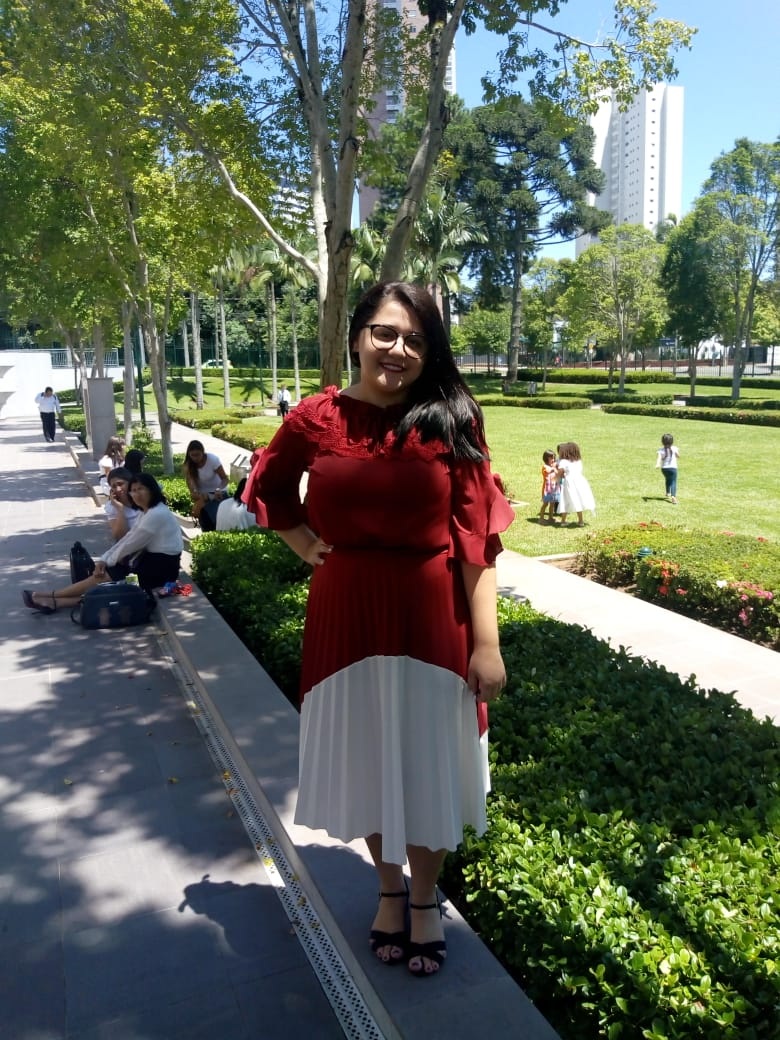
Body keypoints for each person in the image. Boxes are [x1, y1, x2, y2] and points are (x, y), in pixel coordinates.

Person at [244, 281, 514, 977]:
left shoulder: (453, 418)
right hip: (346, 615)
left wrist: (487, 644)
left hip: (433, 616)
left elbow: (476, 538)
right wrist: (305, 543)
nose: (398, 350)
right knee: (366, 758)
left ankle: (425, 897)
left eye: (415, 339)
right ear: (358, 336)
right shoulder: (316, 417)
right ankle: (388, 888)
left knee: (430, 764)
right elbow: (269, 486)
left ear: (430, 351)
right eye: (386, 334)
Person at [22, 474, 183, 612]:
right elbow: (128, 538)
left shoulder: (156, 514)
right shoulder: (147, 511)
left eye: (141, 489)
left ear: (152, 490)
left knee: (111, 577)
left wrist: (106, 561)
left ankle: (52, 596)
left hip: (162, 569)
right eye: (133, 490)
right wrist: (105, 559)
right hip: (151, 560)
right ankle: (55, 601)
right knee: (110, 577)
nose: (136, 494)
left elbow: (131, 544)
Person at [183, 440, 228, 532]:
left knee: (215, 517)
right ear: (189, 455)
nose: (195, 458)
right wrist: (195, 493)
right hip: (203, 496)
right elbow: (190, 484)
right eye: (192, 455)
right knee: (201, 516)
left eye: (198, 455)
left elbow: (225, 479)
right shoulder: (188, 464)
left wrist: (218, 489)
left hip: (218, 493)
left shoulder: (213, 460)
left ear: (203, 452)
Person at [556, 441, 595, 526]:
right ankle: (581, 521)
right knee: (578, 499)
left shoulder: (563, 461)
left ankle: (563, 521)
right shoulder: (578, 461)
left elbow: (559, 473)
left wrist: (555, 479)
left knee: (565, 500)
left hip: (569, 483)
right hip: (580, 481)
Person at [655, 432, 680, 504]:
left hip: (664, 469)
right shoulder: (674, 448)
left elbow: (659, 458)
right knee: (673, 481)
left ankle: (668, 492)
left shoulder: (661, 450)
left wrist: (657, 464)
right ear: (672, 441)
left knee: (668, 479)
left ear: (662, 442)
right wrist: (677, 455)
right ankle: (673, 497)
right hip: (673, 468)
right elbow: (678, 456)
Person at [537, 449, 560, 523]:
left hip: (554, 489)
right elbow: (547, 471)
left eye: (554, 458)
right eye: (551, 458)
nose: (553, 460)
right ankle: (541, 519)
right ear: (546, 459)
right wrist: (553, 468)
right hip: (547, 490)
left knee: (552, 504)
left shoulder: (554, 466)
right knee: (545, 504)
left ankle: (550, 518)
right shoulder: (545, 467)